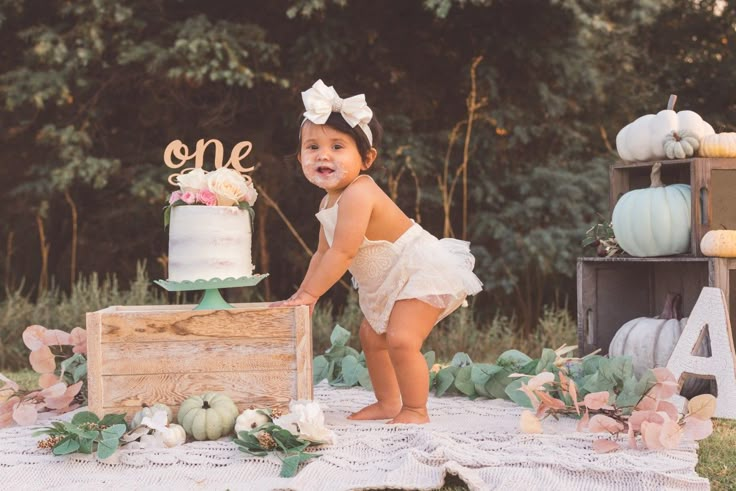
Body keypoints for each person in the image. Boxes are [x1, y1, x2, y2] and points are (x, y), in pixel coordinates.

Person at [274, 80, 483, 424]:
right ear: (300, 158)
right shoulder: (329, 201)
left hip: (419, 269)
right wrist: (301, 295)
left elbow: (342, 253)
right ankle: (388, 403)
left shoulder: (360, 191)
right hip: (387, 278)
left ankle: (416, 409)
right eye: (312, 147)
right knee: (372, 337)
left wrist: (312, 295)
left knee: (401, 338)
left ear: (366, 158)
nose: (323, 155)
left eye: (337, 146)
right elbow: (321, 255)